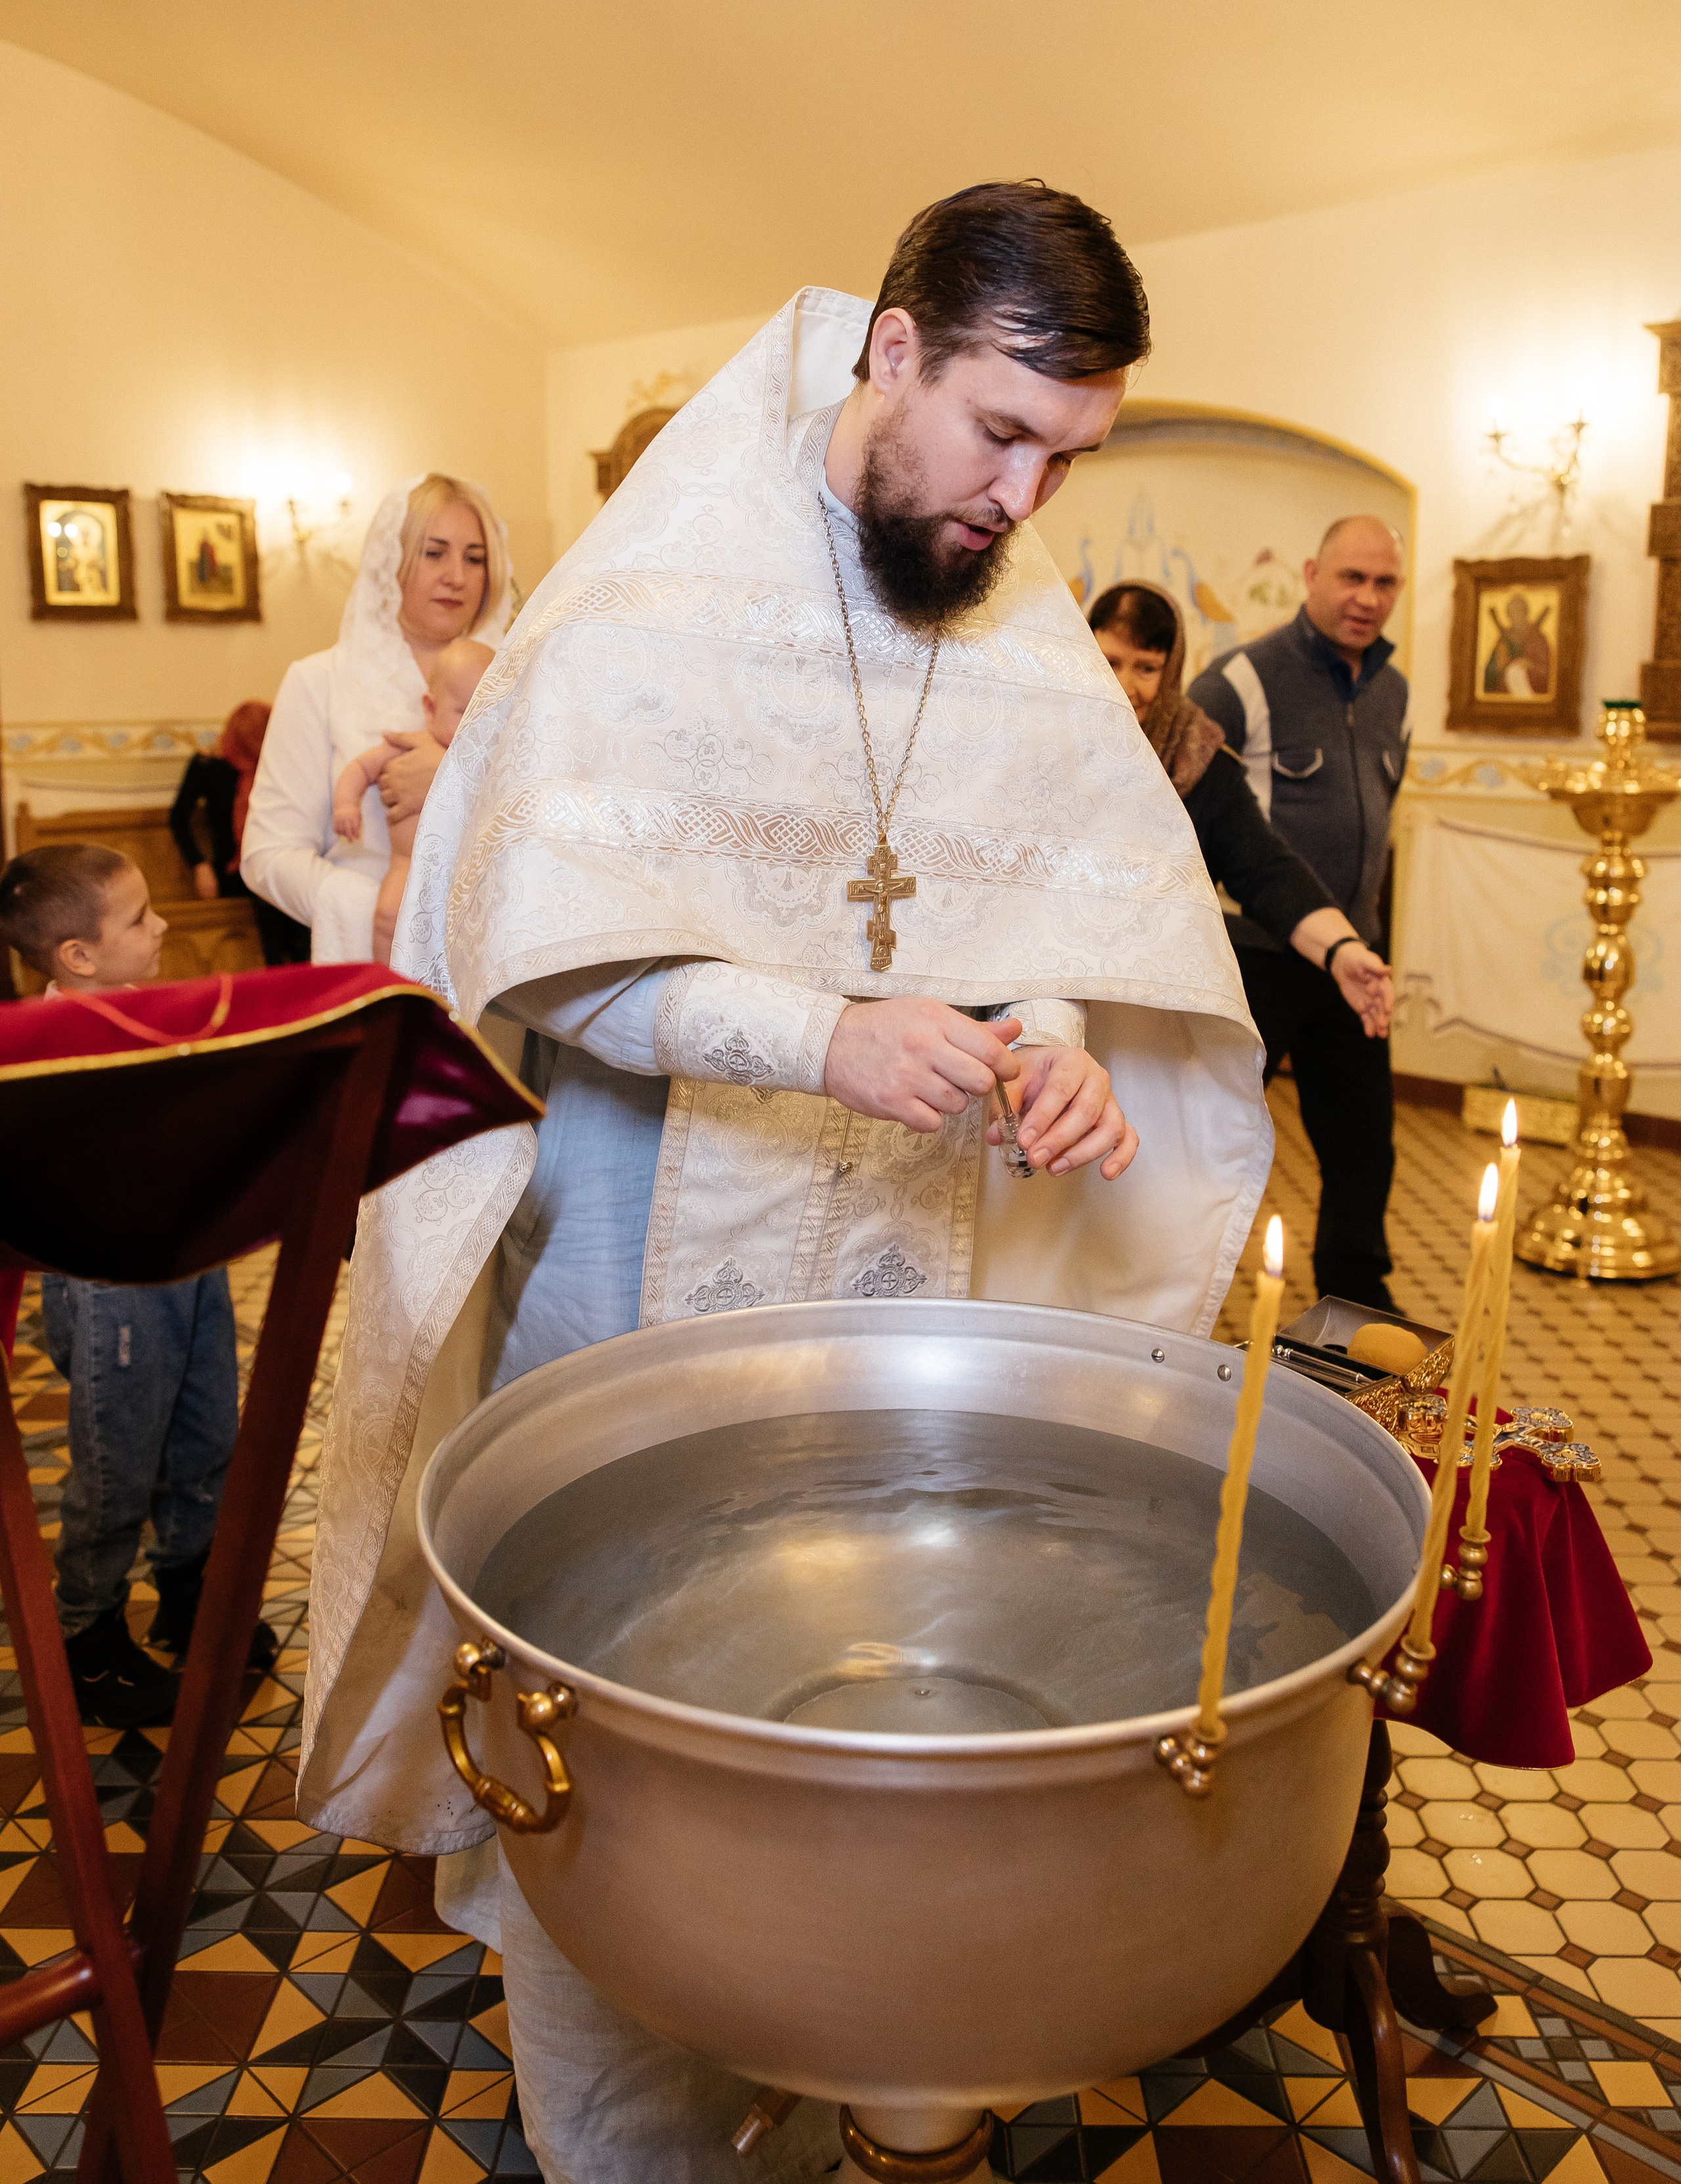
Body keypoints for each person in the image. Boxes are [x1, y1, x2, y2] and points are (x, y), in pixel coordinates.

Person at [296, 183, 1275, 2184]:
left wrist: (1060, 1029)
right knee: (624, 1741)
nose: (1022, 499)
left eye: (1065, 460)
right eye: (1002, 432)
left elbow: (1047, 884)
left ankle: (847, 2069)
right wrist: (822, 1035)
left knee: (857, 1717)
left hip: (905, 1269)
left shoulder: (997, 602)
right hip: (637, 1264)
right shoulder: (652, 602)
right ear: (892, 349)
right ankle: (622, 2147)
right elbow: (535, 952)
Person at [0, 844, 276, 1728]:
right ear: (77, 955)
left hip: (192, 1263)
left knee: (206, 1434)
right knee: (119, 1462)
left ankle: (192, 1591)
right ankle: (89, 1634)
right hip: (111, 1286)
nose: (162, 927)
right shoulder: (47, 1053)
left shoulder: (150, 1014)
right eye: (139, 919)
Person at [1187, 515, 1410, 1311]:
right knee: (1215, 1139)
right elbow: (1193, 814)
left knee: (1362, 1149)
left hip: (1352, 961)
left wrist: (1358, 941)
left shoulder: (1393, 691)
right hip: (1257, 956)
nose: (1367, 598)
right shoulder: (1238, 680)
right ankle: (1184, 1296)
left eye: (1385, 583)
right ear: (1312, 574)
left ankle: (1356, 1310)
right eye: (1351, 578)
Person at [1087, 582, 1393, 1036]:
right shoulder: (1048, 748)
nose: (1124, 685)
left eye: (1147, 667)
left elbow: (1265, 868)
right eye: (1109, 662)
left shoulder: (1199, 761)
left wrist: (1341, 949)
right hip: (1063, 993)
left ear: (1172, 671)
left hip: (1155, 1002)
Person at [240, 473, 512, 963]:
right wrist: (382, 911)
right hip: (374, 942)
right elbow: (268, 856)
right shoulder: (319, 681)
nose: (457, 575)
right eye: (435, 553)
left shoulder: (520, 682)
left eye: (475, 558)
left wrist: (459, 781)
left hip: (498, 944)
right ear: (392, 560)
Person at [331, 638, 495, 964]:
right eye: (464, 712)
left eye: (488, 715)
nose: (476, 727)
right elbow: (362, 767)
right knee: (388, 918)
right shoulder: (408, 745)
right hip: (408, 863)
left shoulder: (488, 761)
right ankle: (387, 986)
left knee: (468, 936)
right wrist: (346, 803)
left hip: (466, 868)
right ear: (431, 708)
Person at [168, 700, 311, 966]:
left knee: (287, 882)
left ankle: (295, 968)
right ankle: (281, 968)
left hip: (278, 861)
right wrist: (199, 865)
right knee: (268, 884)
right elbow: (179, 819)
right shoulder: (208, 764)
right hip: (234, 869)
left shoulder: (280, 764)